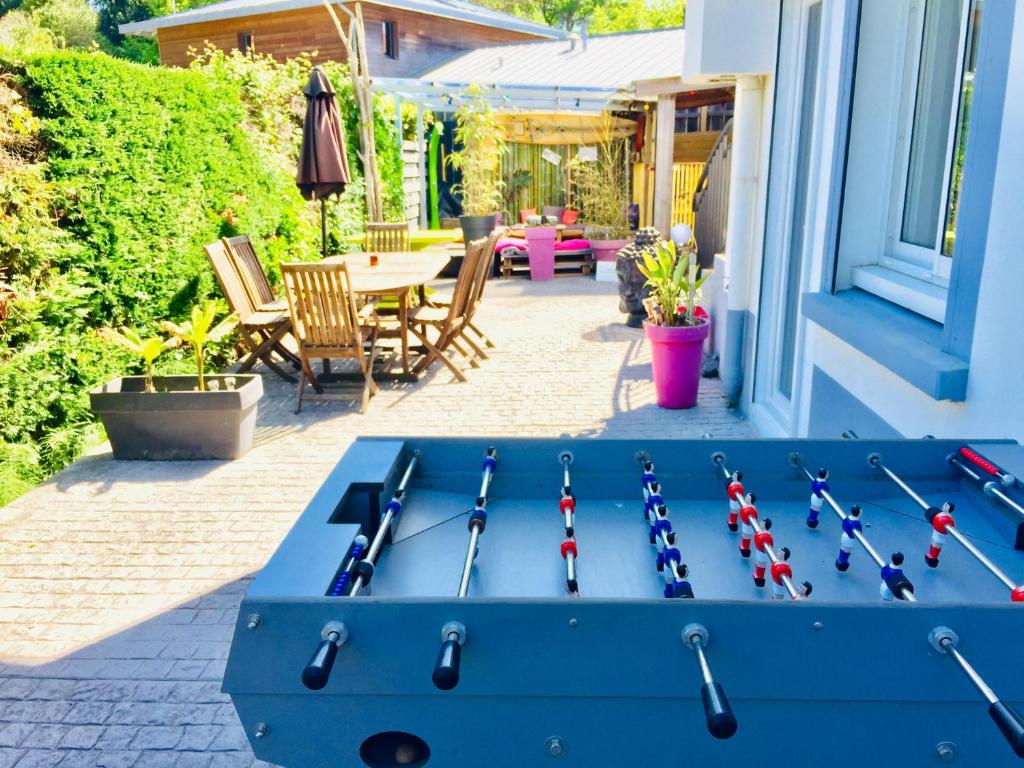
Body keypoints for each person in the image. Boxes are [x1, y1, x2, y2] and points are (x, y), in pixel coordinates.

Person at [925, 502, 956, 568]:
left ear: (948, 508)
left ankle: (933, 559)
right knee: (933, 543)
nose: (944, 505)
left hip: (940, 534)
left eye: (946, 505)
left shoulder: (948, 519)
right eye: (944, 504)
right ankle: (931, 555)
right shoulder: (941, 514)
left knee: (936, 546)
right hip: (936, 530)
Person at [835, 505, 863, 572]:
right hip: (850, 539)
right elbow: (860, 532)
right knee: (847, 551)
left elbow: (843, 524)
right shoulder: (857, 523)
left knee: (843, 548)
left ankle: (840, 560)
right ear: (858, 513)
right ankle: (842, 564)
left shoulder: (847, 518)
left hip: (844, 535)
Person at [753, 518, 774, 587]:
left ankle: (760, 578)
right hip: (759, 550)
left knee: (761, 563)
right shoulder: (760, 532)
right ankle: (758, 575)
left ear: (765, 525)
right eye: (761, 521)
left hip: (762, 552)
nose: (760, 523)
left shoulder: (766, 535)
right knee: (759, 562)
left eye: (762, 522)